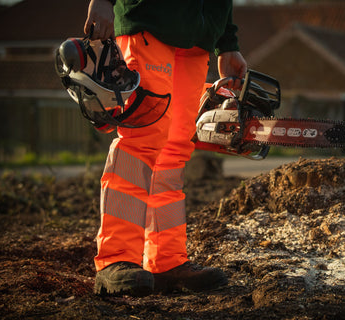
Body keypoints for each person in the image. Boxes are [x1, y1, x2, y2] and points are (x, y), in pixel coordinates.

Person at [84, 0, 247, 297]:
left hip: (199, 35)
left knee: (175, 150)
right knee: (142, 139)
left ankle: (167, 260)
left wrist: (227, 42)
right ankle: (116, 257)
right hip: (150, 18)